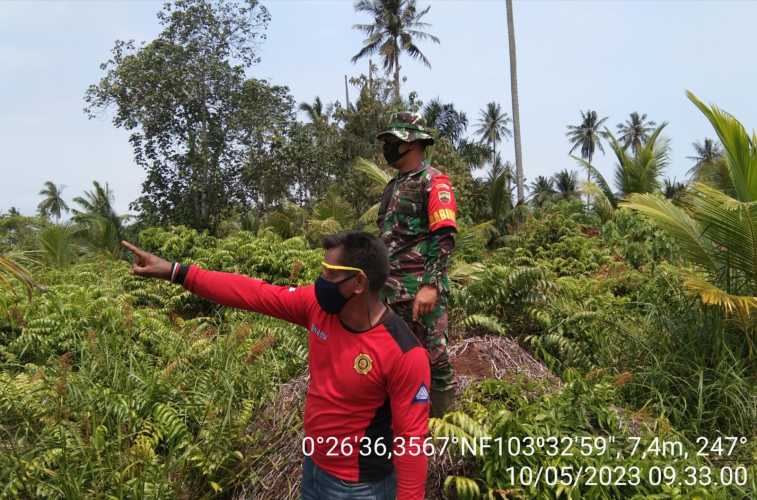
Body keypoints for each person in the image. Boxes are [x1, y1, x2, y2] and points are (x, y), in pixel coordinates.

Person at [120, 231, 430, 500]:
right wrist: (176, 272)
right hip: (314, 465)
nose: (319, 281)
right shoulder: (317, 308)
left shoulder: (404, 353)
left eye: (329, 275)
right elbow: (252, 293)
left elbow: (412, 442)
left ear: (358, 283)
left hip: (359, 486)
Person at [376, 112, 458, 418]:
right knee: (397, 360)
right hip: (390, 292)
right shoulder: (392, 187)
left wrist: (430, 285)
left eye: (392, 142)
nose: (387, 148)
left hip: (420, 290)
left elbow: (444, 236)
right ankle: (403, 421)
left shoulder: (434, 182)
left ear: (411, 143)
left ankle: (444, 427)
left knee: (435, 357)